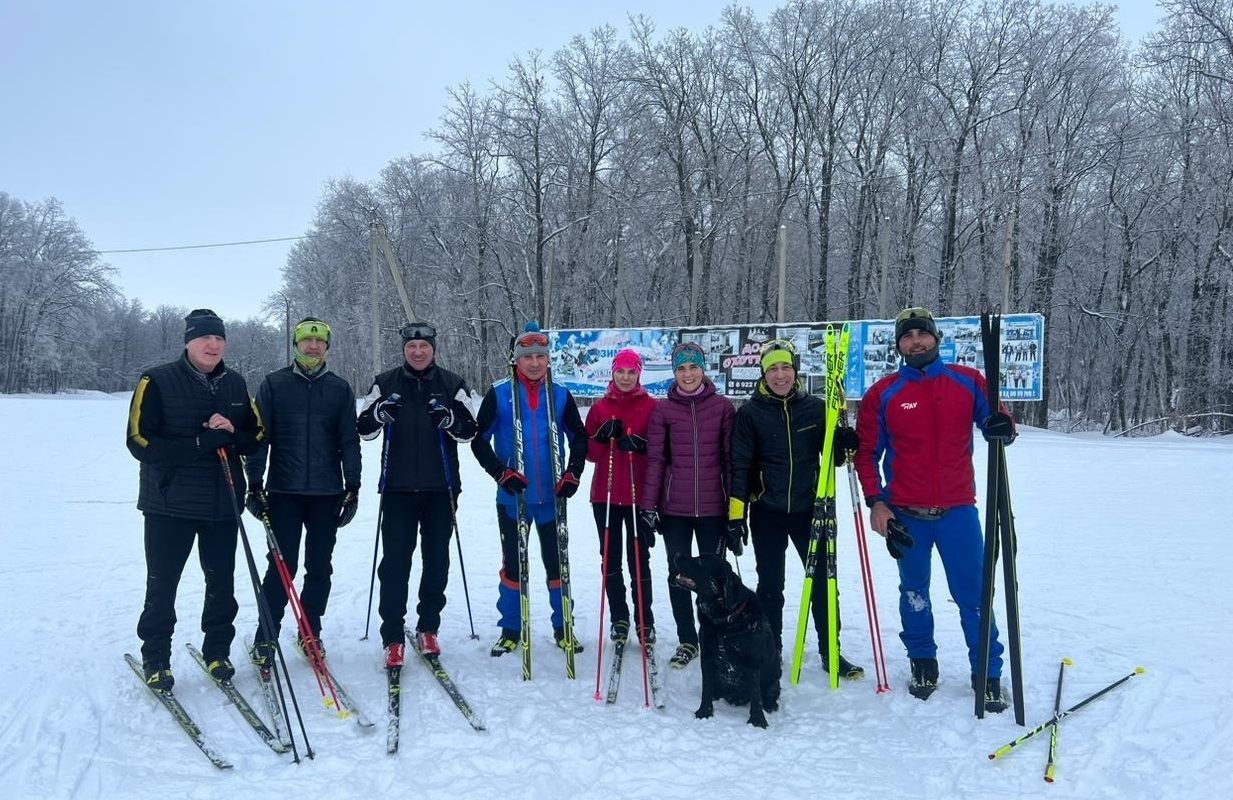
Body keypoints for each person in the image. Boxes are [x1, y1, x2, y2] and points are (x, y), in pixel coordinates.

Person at [854, 307, 1017, 711]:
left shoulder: (968, 382)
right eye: (907, 336)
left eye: (922, 334)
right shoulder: (883, 393)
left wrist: (1003, 426)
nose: (916, 341)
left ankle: (987, 670)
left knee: (974, 594)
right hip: (906, 512)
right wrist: (877, 502)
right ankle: (922, 660)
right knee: (914, 593)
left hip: (958, 510)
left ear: (936, 339)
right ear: (899, 346)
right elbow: (866, 455)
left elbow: (997, 421)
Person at [125, 309, 264, 689]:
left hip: (223, 504)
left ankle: (217, 651)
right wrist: (199, 444)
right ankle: (155, 657)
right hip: (169, 505)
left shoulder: (236, 384)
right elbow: (138, 440)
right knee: (162, 584)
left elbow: (257, 436)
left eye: (219, 338)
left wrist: (232, 432)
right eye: (205, 338)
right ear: (188, 342)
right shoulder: (156, 380)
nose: (213, 345)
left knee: (222, 585)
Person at [728, 339, 865, 678]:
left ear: (795, 370)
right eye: (772, 368)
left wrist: (846, 444)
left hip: (811, 511)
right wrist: (735, 517)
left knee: (823, 582)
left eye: (785, 367)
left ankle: (829, 649)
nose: (780, 375)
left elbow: (832, 459)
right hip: (767, 512)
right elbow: (740, 467)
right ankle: (770, 649)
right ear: (763, 373)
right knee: (771, 586)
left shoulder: (816, 409)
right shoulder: (749, 413)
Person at [356, 322, 477, 669]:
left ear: (434, 349)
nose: (419, 352)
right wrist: (379, 414)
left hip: (441, 489)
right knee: (395, 564)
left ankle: (428, 628)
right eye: (412, 347)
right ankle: (392, 636)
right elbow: (363, 429)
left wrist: (451, 419)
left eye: (424, 347)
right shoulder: (385, 381)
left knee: (436, 561)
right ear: (404, 350)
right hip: (396, 489)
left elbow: (470, 431)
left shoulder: (452, 383)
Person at [244, 317, 361, 665]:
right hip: (284, 492)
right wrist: (254, 483)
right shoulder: (274, 384)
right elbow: (258, 437)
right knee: (282, 565)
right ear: (295, 344)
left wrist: (352, 485)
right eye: (306, 341)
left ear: (327, 346)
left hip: (326, 493)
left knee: (320, 566)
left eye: (319, 341)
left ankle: (311, 631)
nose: (313, 346)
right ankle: (265, 637)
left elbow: (348, 441)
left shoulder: (339, 388)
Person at [471, 322, 589, 657]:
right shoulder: (499, 392)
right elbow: (479, 440)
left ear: (548, 358)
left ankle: (562, 626)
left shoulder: (561, 394)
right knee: (514, 566)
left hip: (551, 498)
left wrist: (573, 473)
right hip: (513, 497)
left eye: (540, 355)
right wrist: (500, 473)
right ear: (516, 359)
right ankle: (510, 629)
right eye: (528, 356)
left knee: (557, 565)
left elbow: (579, 437)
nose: (535, 362)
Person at [639, 340, 736, 669]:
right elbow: (655, 462)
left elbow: (730, 461)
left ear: (703, 369)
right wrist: (648, 508)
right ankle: (687, 639)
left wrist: (736, 513)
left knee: (713, 577)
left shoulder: (723, 408)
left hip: (713, 508)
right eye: (681, 368)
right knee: (679, 574)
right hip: (674, 510)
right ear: (674, 372)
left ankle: (714, 635)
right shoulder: (663, 411)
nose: (688, 374)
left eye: (693, 367)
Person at [584, 348, 659, 646]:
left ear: (639, 374)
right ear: (613, 373)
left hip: (639, 496)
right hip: (606, 494)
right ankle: (619, 618)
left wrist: (642, 445)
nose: (626, 377)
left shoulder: (652, 407)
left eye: (631, 372)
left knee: (639, 559)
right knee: (610, 560)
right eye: (621, 371)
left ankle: (645, 620)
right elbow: (590, 454)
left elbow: (661, 451)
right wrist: (601, 437)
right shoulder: (600, 408)